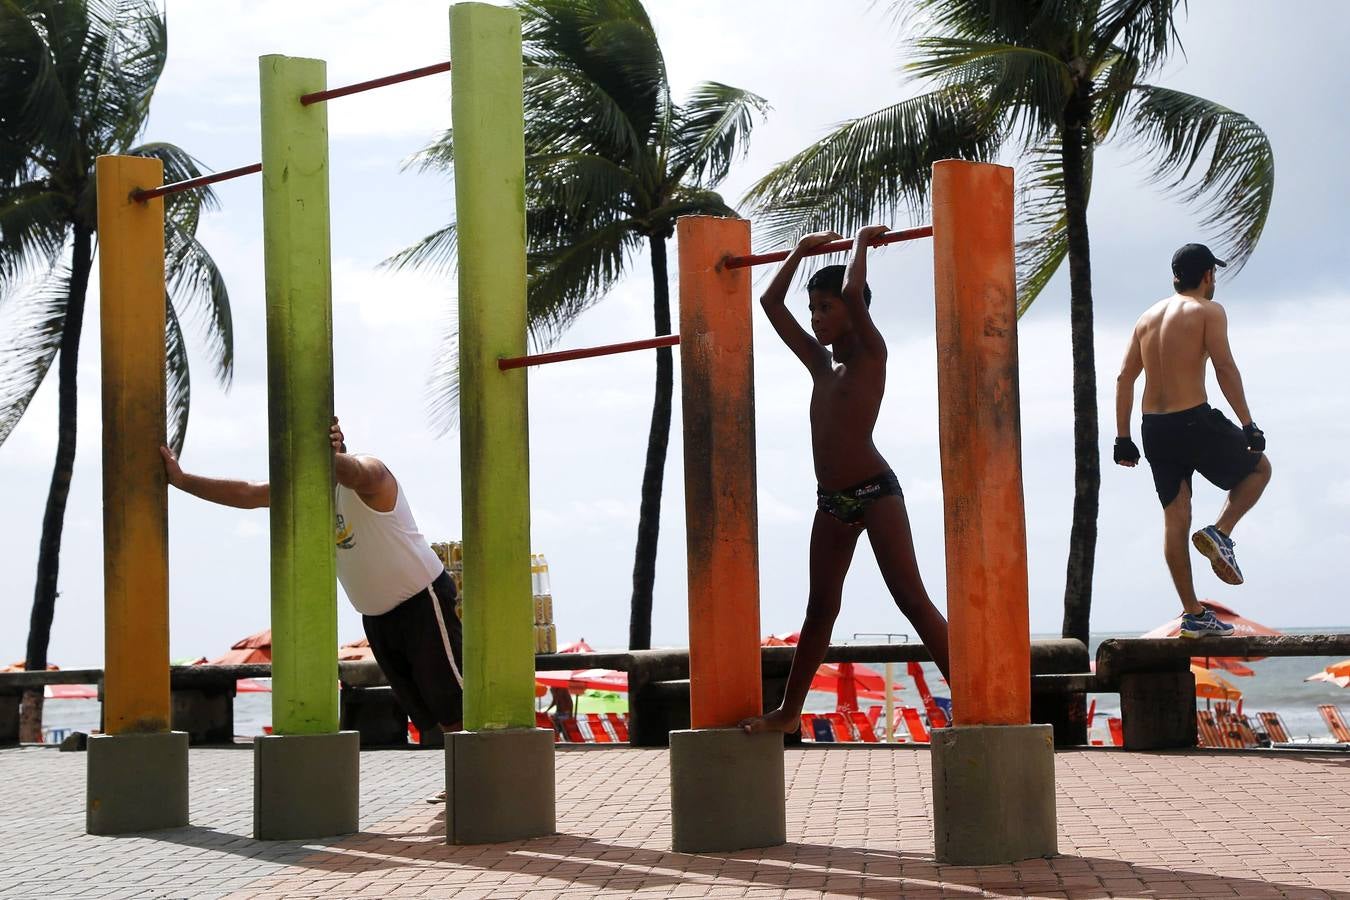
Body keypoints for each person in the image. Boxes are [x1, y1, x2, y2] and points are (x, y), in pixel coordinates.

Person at [740, 225, 950, 736]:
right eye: (813, 310)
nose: (815, 319)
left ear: (851, 312)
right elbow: (769, 302)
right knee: (819, 610)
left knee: (911, 598)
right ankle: (789, 714)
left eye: (824, 309)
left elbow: (856, 291)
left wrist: (858, 242)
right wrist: (798, 252)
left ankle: (972, 696)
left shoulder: (872, 353)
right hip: (831, 501)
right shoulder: (820, 364)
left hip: (876, 490)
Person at [160, 418, 465, 747]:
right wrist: (180, 480)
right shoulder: (306, 492)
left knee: (454, 705)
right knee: (425, 712)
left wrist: (327, 456)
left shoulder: (371, 472)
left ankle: (470, 783)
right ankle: (457, 780)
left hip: (422, 601)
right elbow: (248, 492)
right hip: (377, 618)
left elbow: (355, 472)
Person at [1114, 243, 1272, 637]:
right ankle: (1220, 532)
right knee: (1259, 469)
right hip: (1193, 420)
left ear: (1174, 276)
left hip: (1154, 428)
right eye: (1213, 274)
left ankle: (1193, 614)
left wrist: (1122, 438)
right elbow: (1224, 367)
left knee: (1175, 517)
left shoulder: (1146, 318)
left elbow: (1124, 379)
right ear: (1207, 276)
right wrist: (1248, 423)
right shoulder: (1208, 311)